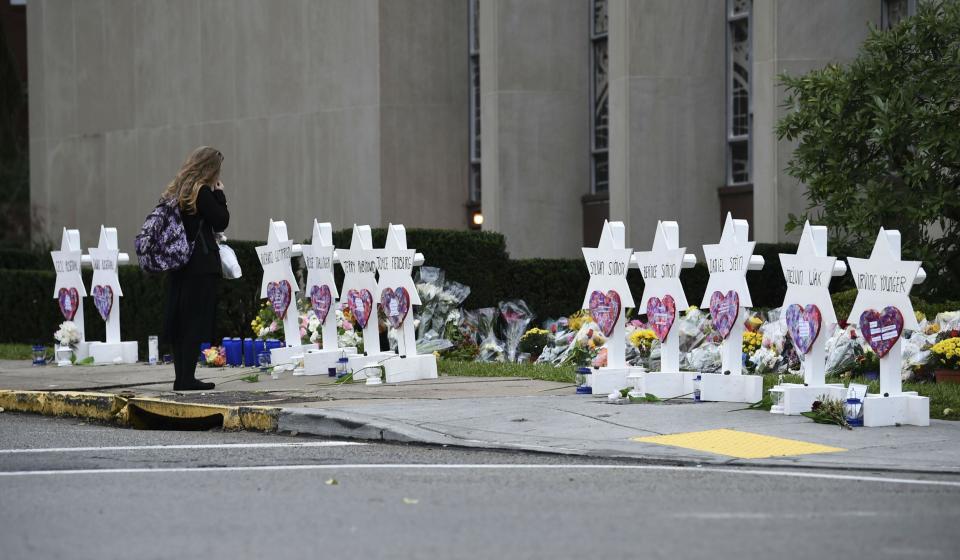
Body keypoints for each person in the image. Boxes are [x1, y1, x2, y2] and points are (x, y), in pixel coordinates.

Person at [161, 146, 229, 390]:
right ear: (210, 168)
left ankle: (181, 377)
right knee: (193, 322)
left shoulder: (178, 190)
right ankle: (187, 378)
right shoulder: (201, 192)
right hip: (199, 264)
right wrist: (220, 194)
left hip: (179, 263)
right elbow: (221, 220)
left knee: (181, 322)